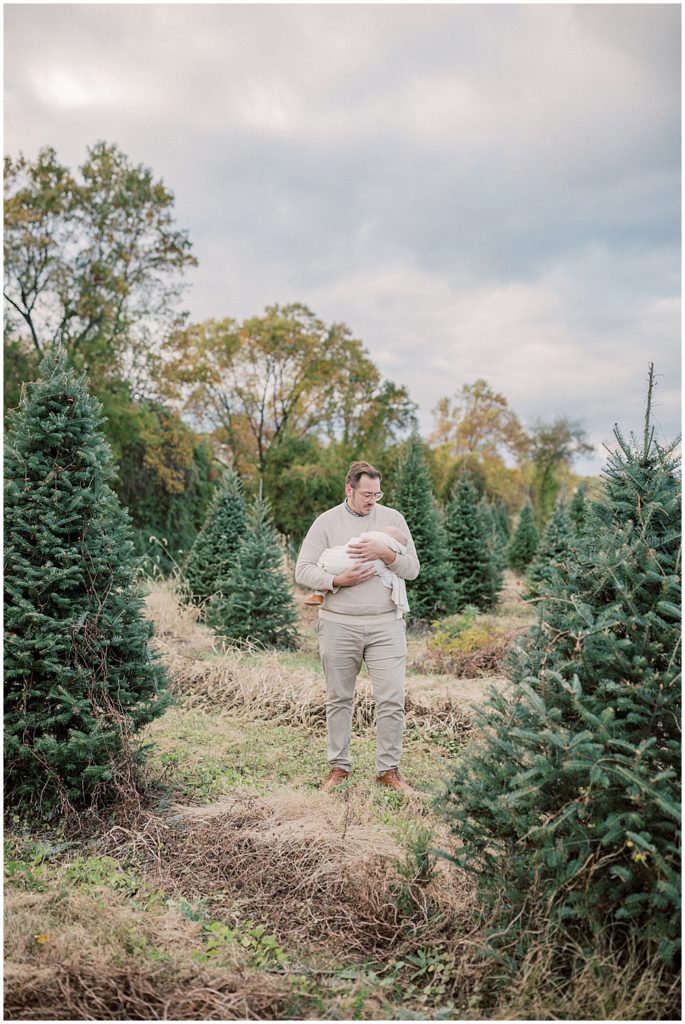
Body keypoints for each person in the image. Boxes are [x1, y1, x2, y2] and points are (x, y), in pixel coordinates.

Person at [295, 460, 420, 794]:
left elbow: (412, 569)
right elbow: (303, 570)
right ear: (349, 489)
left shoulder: (393, 519)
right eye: (366, 494)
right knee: (339, 698)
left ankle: (388, 771)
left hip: (386, 625)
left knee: (392, 698)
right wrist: (336, 579)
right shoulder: (326, 522)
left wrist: (387, 554)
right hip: (339, 625)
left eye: (377, 494)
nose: (372, 500)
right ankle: (339, 768)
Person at [303, 526, 410, 617]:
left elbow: (412, 570)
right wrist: (339, 580)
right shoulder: (378, 555)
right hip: (338, 617)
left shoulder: (389, 521)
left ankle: (319, 595)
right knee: (351, 566)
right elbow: (388, 577)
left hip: (327, 560)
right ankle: (319, 594)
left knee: (334, 569)